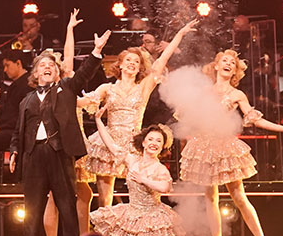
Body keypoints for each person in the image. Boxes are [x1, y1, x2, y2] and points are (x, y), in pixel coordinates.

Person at [180, 49, 283, 236]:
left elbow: (254, 119)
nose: (228, 64)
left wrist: (282, 128)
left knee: (239, 197)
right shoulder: (204, 91)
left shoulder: (237, 95)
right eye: (224, 61)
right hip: (204, 146)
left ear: (235, 71)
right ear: (216, 66)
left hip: (225, 146)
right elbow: (188, 117)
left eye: (233, 63)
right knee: (211, 198)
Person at [8, 13, 109, 236]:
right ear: (35, 74)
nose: (47, 68)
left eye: (51, 66)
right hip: (33, 156)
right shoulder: (27, 100)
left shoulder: (66, 89)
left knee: (66, 204)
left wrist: (96, 52)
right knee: (32, 208)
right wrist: (14, 151)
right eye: (43, 65)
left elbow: (83, 73)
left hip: (59, 153)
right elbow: (18, 130)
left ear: (57, 72)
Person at [83, 20, 198, 206]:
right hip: (109, 143)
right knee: (105, 199)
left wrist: (180, 35)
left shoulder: (143, 87)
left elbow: (162, 60)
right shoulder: (107, 88)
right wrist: (61, 93)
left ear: (140, 67)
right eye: (128, 60)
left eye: (136, 61)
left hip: (134, 144)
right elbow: (84, 101)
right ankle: (107, 235)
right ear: (120, 64)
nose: (132, 63)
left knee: (141, 194)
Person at [90, 123, 199, 236]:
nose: (154, 143)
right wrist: (98, 120)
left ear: (162, 146)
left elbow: (165, 187)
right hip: (132, 212)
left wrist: (144, 180)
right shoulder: (132, 160)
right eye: (151, 139)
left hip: (152, 216)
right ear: (143, 142)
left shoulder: (159, 168)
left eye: (158, 141)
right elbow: (111, 145)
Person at [0, 49, 30, 184]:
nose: (5, 70)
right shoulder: (16, 84)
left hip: (20, 130)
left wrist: (0, 128)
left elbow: (20, 115)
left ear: (18, 63)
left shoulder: (27, 84)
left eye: (7, 65)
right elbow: (8, 113)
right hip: (10, 127)